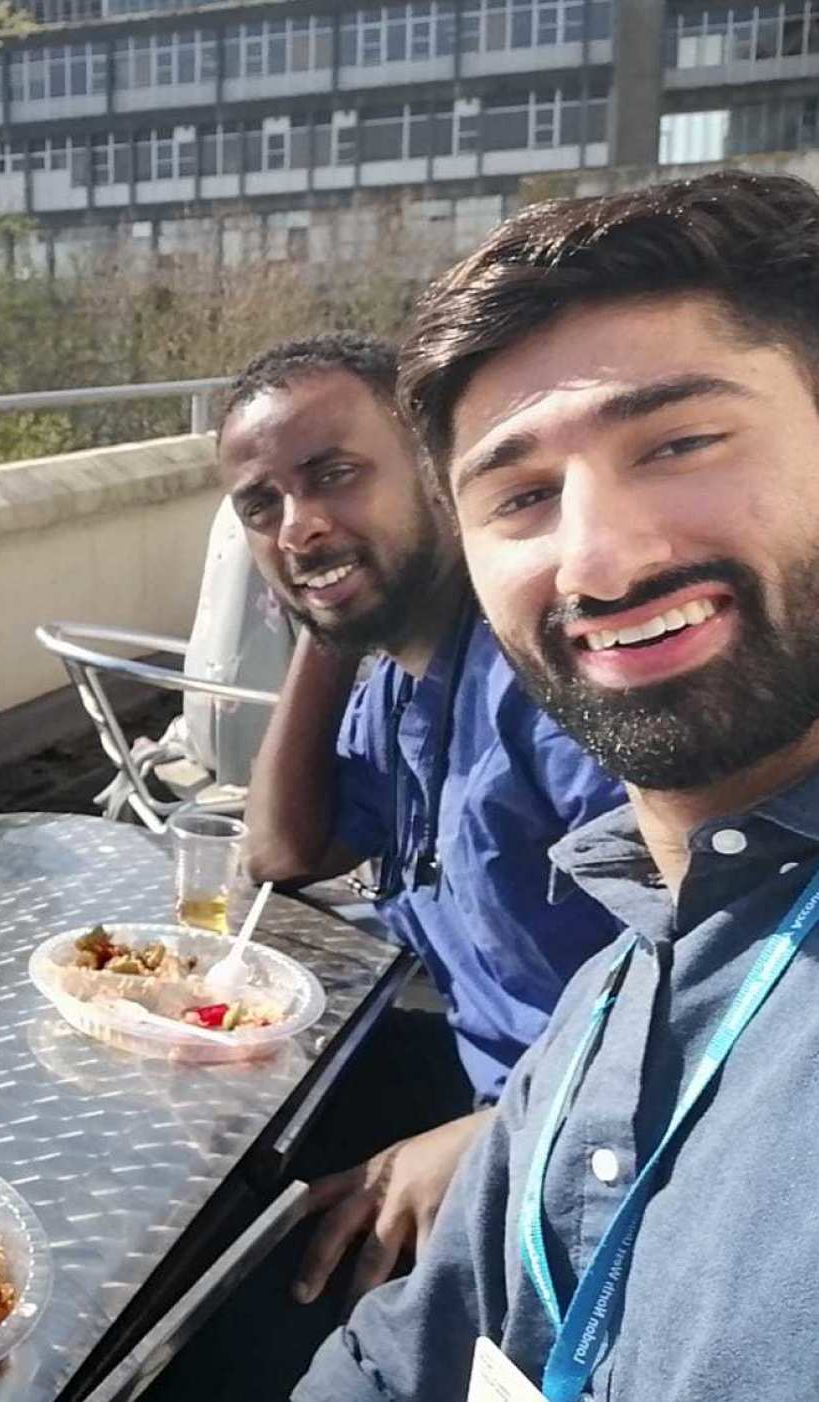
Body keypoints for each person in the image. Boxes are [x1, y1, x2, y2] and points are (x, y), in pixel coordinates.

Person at [297, 169, 819, 1400]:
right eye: (520, 495)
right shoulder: (623, 976)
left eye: (678, 442)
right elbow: (398, 1357)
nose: (599, 558)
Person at [222, 335, 625, 1307]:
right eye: (262, 506)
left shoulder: (552, 684)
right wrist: (324, 614)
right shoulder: (400, 683)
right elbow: (285, 849)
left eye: (334, 475)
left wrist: (490, 1139)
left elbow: (721, 977)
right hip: (476, 1083)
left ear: (438, 471)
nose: (298, 524)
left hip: (588, 1157)